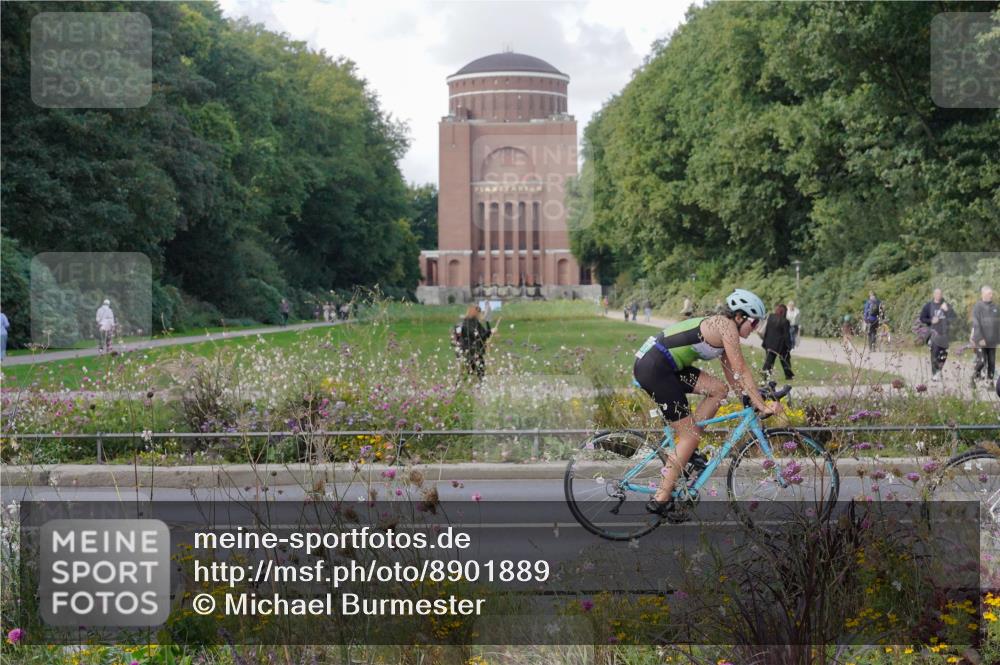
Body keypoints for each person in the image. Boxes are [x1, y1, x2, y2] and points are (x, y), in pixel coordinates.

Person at [634, 289, 783, 517]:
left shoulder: (723, 327)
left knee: (718, 390)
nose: (754, 329)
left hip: (663, 364)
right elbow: (741, 369)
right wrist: (762, 405)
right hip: (655, 368)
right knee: (689, 436)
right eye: (754, 323)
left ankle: (688, 450)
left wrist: (746, 399)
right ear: (739, 316)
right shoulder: (726, 326)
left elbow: (732, 374)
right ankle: (661, 498)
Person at [919, 288, 956, 381]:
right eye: (937, 294)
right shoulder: (928, 306)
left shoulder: (946, 305)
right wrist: (931, 320)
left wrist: (947, 310)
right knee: (935, 353)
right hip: (934, 333)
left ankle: (939, 371)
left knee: (944, 355)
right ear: (934, 295)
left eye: (940, 294)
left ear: (942, 295)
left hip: (945, 334)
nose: (938, 295)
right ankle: (935, 374)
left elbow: (954, 318)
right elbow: (922, 318)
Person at [455, 304, 493, 379]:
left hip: (476, 352)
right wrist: (489, 332)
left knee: (480, 373)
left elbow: (485, 335)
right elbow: (477, 336)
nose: (480, 315)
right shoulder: (466, 323)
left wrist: (487, 322)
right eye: (479, 313)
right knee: (470, 373)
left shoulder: (476, 323)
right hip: (469, 352)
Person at [971, 285, 998, 386]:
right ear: (983, 294)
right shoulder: (978, 307)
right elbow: (976, 324)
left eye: (991, 293)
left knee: (992, 362)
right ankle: (973, 378)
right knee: (982, 361)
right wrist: (980, 338)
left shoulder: (995, 307)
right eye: (989, 293)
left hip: (992, 341)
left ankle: (990, 382)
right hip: (980, 340)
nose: (991, 295)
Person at [761, 303, 795, 380]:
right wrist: (789, 346)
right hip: (780, 345)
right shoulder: (785, 321)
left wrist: (765, 341)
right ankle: (788, 375)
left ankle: (766, 375)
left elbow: (767, 330)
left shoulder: (771, 317)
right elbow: (786, 335)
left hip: (769, 343)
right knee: (785, 360)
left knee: (769, 361)